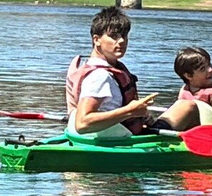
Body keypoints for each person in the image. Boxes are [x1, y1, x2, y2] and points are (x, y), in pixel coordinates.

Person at [65, 7, 197, 137]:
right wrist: (130, 111)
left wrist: (139, 116)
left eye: (124, 36)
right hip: (119, 140)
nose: (121, 41)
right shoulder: (100, 76)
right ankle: (198, 155)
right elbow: (82, 124)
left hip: (108, 134)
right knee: (188, 106)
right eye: (113, 36)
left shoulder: (90, 67)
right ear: (96, 40)